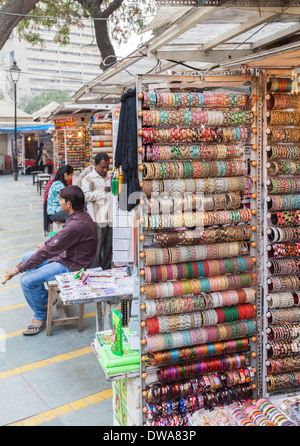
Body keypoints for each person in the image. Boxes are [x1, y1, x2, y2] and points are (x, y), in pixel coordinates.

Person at [5, 185, 98, 336]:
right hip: (67, 257)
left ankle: (40, 315)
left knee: (26, 280)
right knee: (26, 257)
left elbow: (46, 253)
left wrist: (17, 270)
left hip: (72, 266)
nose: (59, 202)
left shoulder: (76, 224)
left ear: (69, 203)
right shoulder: (80, 215)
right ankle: (44, 301)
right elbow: (60, 238)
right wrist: (47, 243)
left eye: (61, 199)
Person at [82, 153, 112, 270]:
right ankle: (95, 271)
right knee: (97, 247)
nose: (105, 170)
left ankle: (107, 270)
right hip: (97, 218)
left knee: (108, 247)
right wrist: (102, 191)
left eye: (107, 167)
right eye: (102, 167)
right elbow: (85, 196)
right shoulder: (88, 179)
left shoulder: (111, 176)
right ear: (96, 165)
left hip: (110, 216)